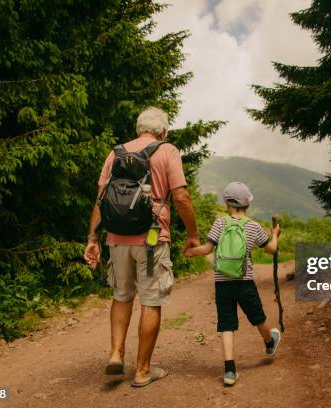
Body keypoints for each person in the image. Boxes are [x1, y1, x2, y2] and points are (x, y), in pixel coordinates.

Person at [83, 107, 200, 387]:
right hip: (151, 239)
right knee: (150, 300)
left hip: (116, 238)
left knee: (122, 296)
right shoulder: (167, 150)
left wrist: (92, 239)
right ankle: (143, 370)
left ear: (139, 129)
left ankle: (115, 354)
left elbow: (101, 199)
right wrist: (193, 234)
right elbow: (181, 197)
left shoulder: (116, 153)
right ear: (163, 131)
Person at [184, 181, 282, 386]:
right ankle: (269, 342)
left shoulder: (220, 223)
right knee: (258, 317)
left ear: (227, 202)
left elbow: (207, 249)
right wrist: (274, 235)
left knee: (226, 324)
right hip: (244, 281)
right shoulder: (254, 226)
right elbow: (271, 249)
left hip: (222, 283)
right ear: (247, 204)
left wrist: (191, 251)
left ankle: (229, 370)